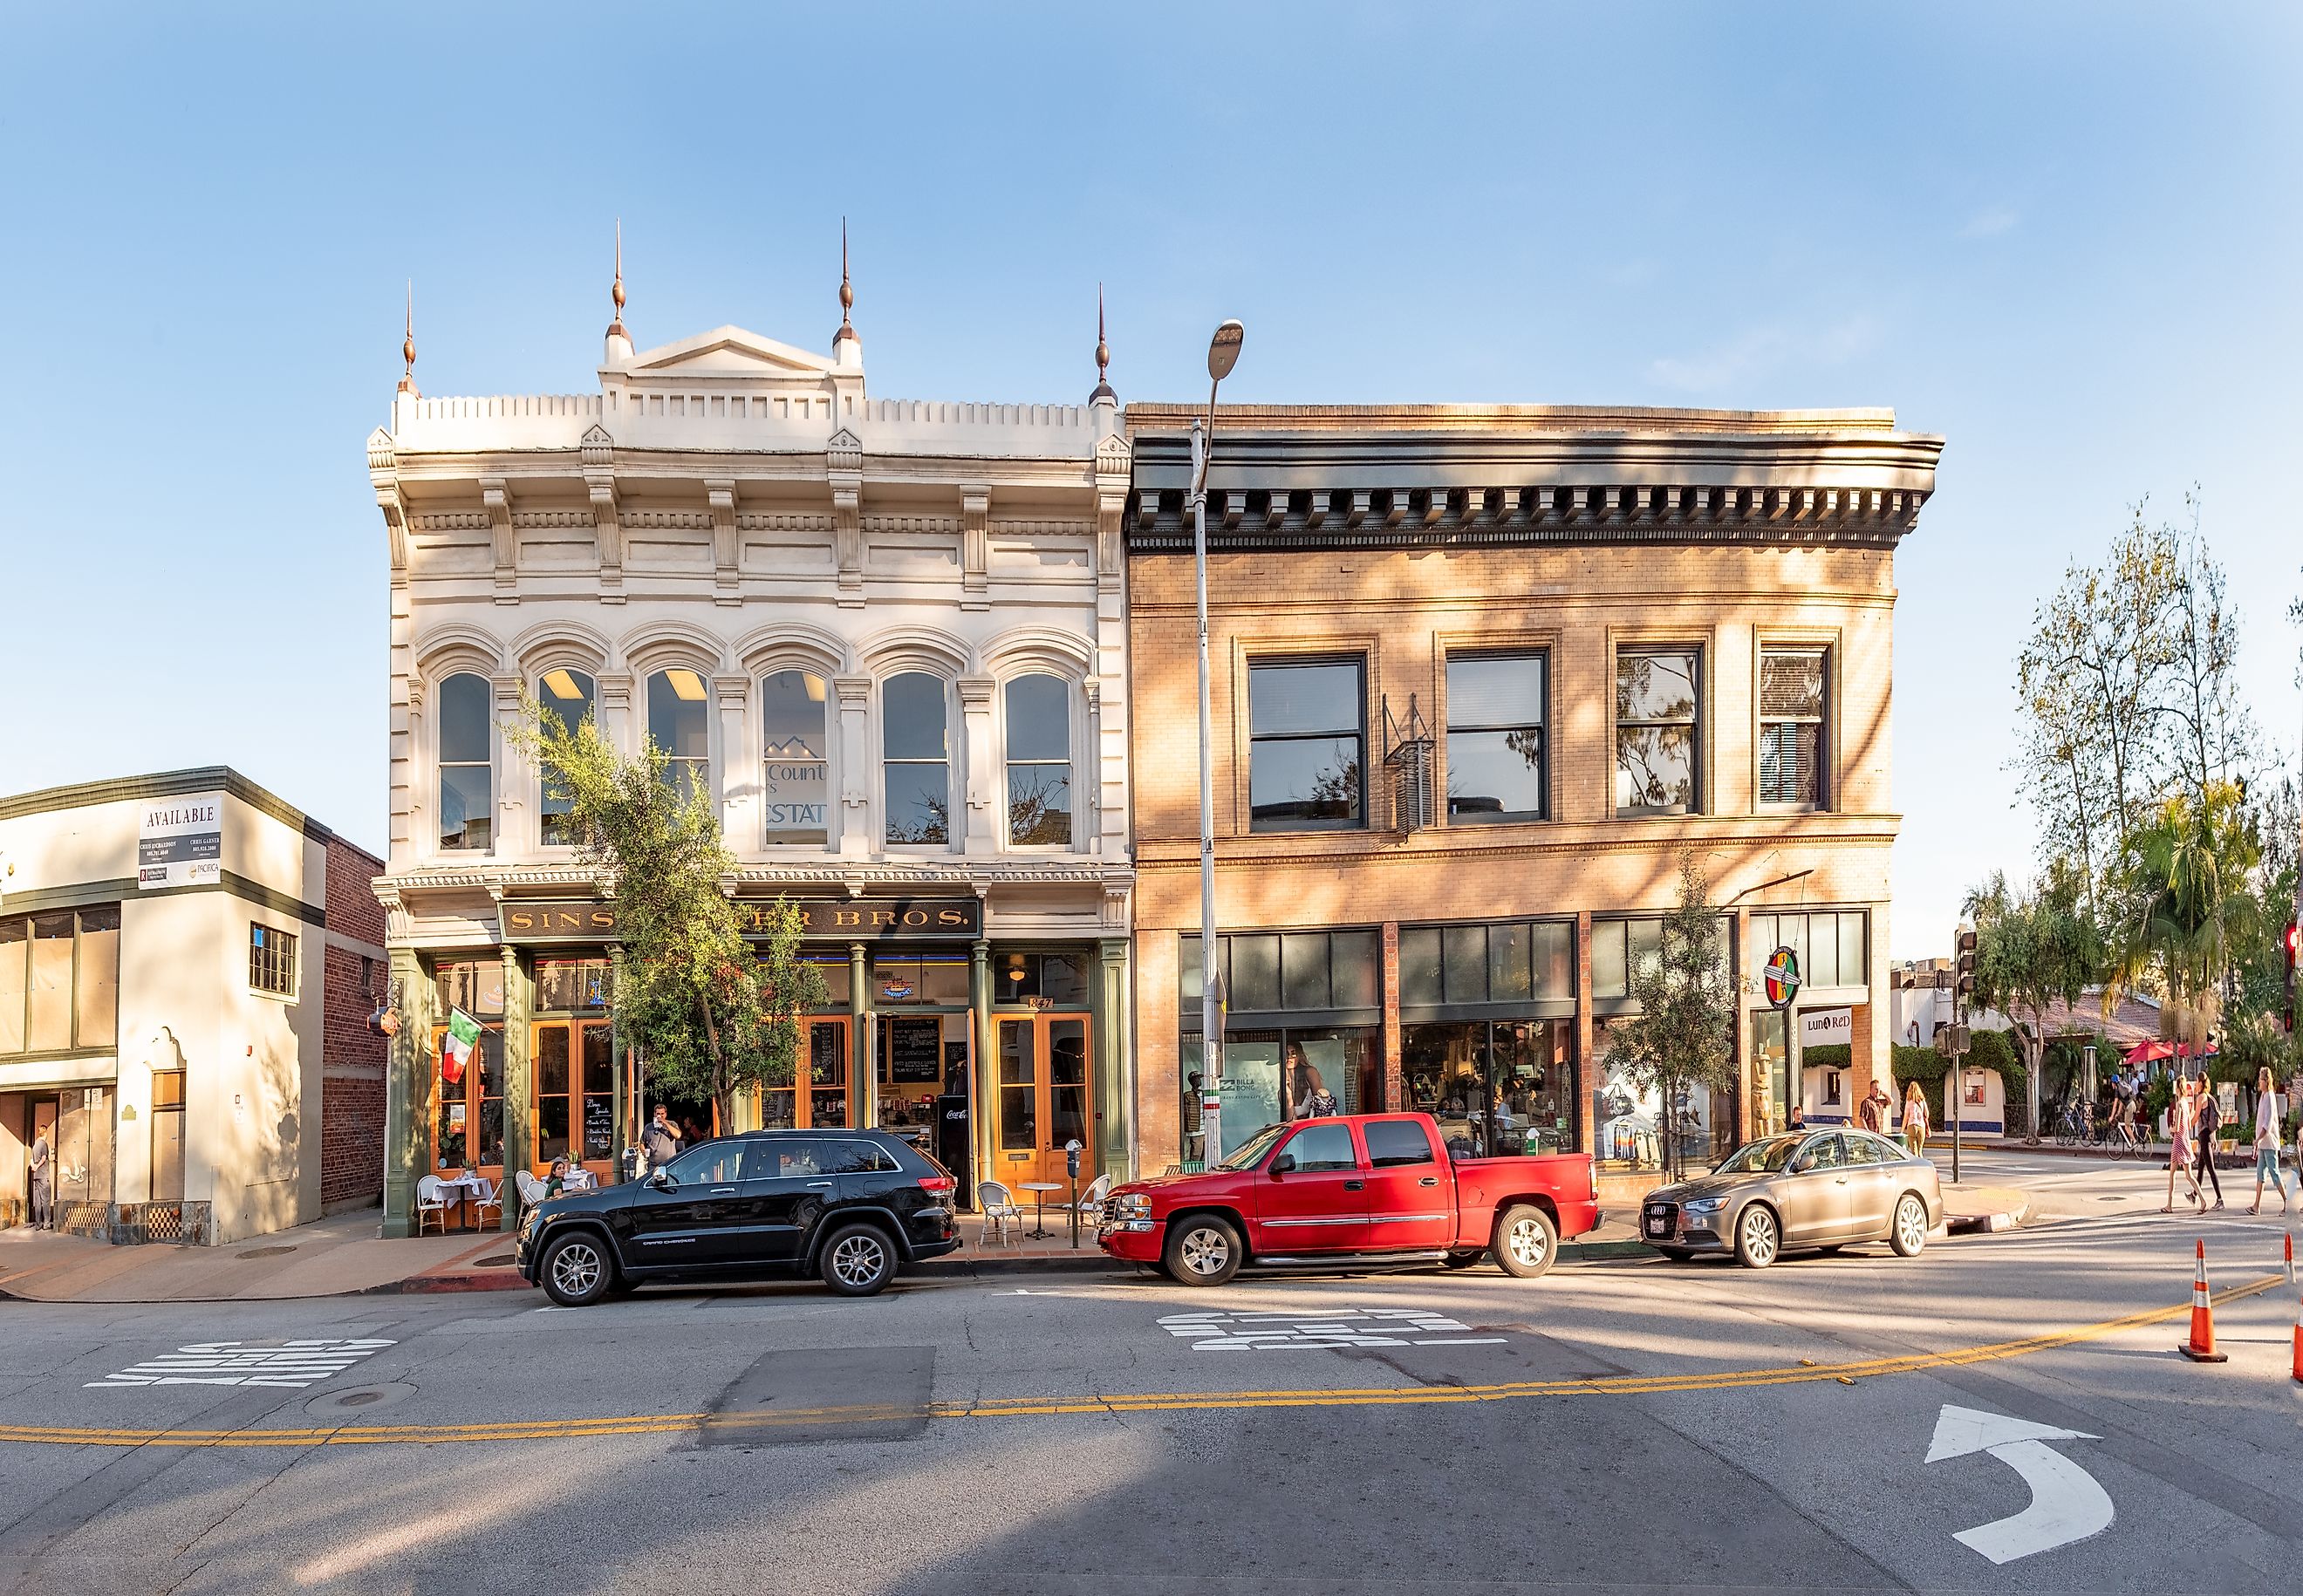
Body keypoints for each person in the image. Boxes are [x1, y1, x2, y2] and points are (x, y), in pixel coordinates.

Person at [2248, 1066, 2289, 1215]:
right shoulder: (2264, 1096)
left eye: (2260, 1079)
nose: (2259, 1082)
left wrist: (2258, 1138)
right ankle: (2256, 1205)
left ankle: (2287, 1202)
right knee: (2260, 1173)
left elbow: (2268, 1122)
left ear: (2266, 1081)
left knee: (2274, 1173)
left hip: (2269, 1142)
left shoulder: (2270, 1097)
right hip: (2263, 1143)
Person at [2163, 1076, 2199, 1213]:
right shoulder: (2186, 1103)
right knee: (2188, 1175)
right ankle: (2202, 1200)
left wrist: (2171, 1129)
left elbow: (2177, 1127)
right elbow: (2189, 1124)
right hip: (2185, 1140)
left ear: (2178, 1088)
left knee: (2172, 1173)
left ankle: (2169, 1205)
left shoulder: (2179, 1104)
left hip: (2178, 1141)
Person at [2191, 1078, 2224, 1210]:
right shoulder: (2210, 1097)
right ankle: (2194, 1194)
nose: (2195, 1085)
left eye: (2196, 1082)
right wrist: (2214, 1137)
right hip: (2209, 1134)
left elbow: (2196, 1116)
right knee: (2200, 1167)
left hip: (2204, 1135)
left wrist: (2186, 1126)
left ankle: (2220, 1199)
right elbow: (2212, 1118)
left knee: (2210, 1169)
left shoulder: (2201, 1097)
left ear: (2200, 1083)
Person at [641, 1103, 681, 1172]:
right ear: (654, 1114)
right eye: (658, 1113)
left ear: (665, 1114)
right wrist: (643, 1151)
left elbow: (678, 1135)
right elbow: (642, 1143)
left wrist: (665, 1123)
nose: (660, 1116)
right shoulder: (648, 1127)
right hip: (653, 1165)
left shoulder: (672, 1124)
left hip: (669, 1164)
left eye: (662, 1113)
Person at [28, 1127, 53, 1231]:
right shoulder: (43, 1144)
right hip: (43, 1175)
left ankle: (38, 1224)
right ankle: (46, 1224)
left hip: (36, 1176)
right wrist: (38, 1167)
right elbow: (44, 1158)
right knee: (46, 1200)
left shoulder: (34, 1145)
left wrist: (34, 1167)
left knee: (37, 1201)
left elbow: (31, 1160)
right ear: (45, 1133)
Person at [1902, 1081, 1930, 1157]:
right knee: (1920, 1151)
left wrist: (1902, 1130)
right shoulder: (1922, 1101)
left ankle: (1916, 1165)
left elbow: (1906, 1117)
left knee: (1914, 1152)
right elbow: (1927, 1114)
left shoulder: (1909, 1102)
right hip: (1922, 1126)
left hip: (1912, 1125)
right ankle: (1922, 1166)